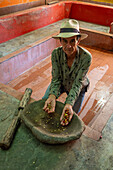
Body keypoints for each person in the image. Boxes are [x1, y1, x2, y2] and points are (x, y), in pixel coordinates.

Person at [43, 19, 92, 126]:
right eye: (65, 41)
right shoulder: (56, 54)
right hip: (61, 83)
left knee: (72, 114)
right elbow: (56, 78)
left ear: (78, 41)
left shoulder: (86, 57)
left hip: (78, 87)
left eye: (72, 41)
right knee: (45, 101)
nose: (68, 46)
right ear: (60, 41)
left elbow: (78, 83)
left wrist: (69, 104)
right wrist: (52, 96)